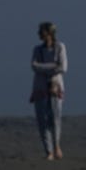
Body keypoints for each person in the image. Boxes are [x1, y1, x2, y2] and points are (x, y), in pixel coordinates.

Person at [30, 21, 68, 160]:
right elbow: (34, 66)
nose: (39, 34)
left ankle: (56, 146)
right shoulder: (37, 50)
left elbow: (63, 67)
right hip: (40, 88)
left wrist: (44, 68)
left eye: (42, 31)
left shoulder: (60, 47)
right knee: (42, 120)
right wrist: (52, 66)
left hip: (55, 87)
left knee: (55, 118)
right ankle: (48, 151)